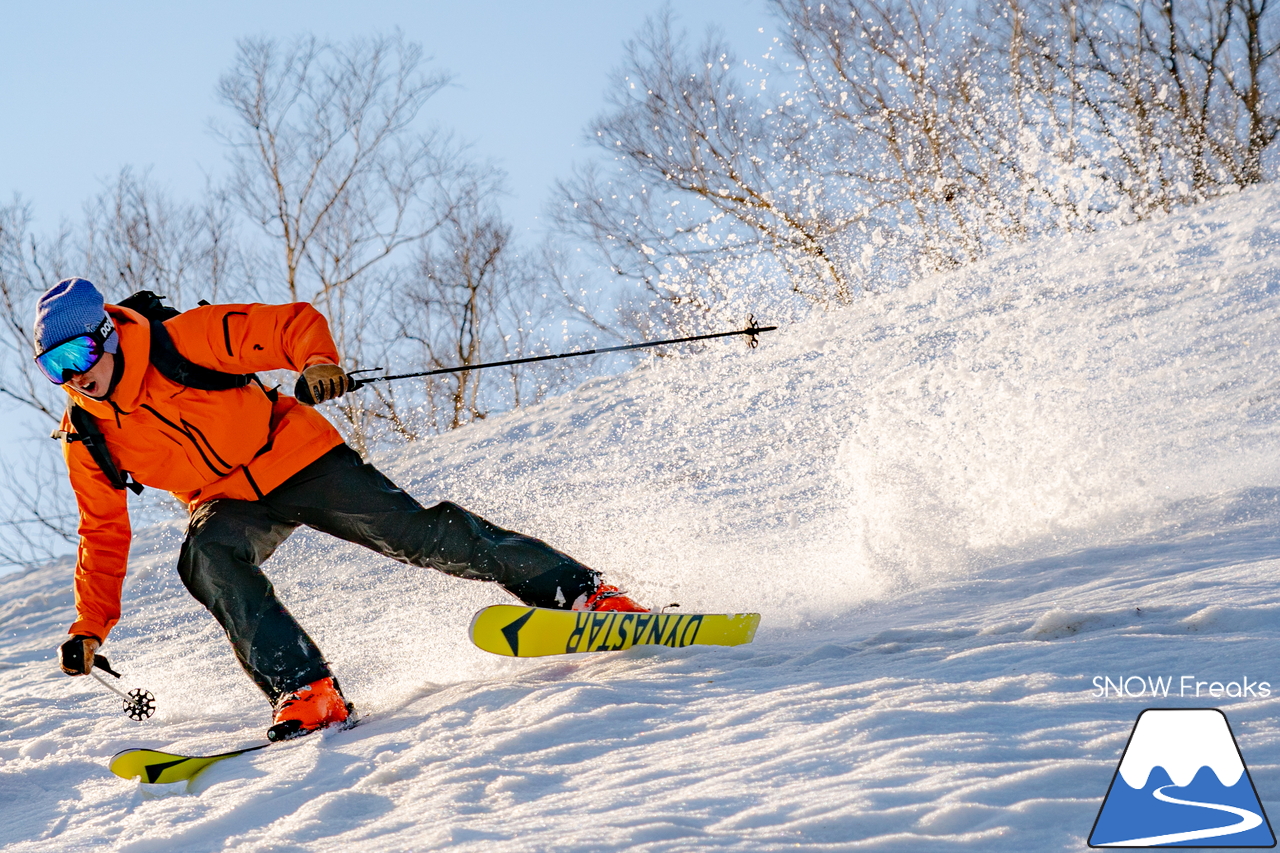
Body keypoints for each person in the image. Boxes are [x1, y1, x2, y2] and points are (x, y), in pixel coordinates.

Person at [36, 277, 645, 739]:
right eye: (54, 368)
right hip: (227, 501)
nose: (74, 378)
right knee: (207, 556)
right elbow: (102, 530)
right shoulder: (86, 433)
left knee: (415, 535)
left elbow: (286, 324)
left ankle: (582, 593)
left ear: (109, 335)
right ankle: (306, 690)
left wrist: (317, 361)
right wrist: (89, 627)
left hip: (297, 457)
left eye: (77, 357)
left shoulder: (182, 339)